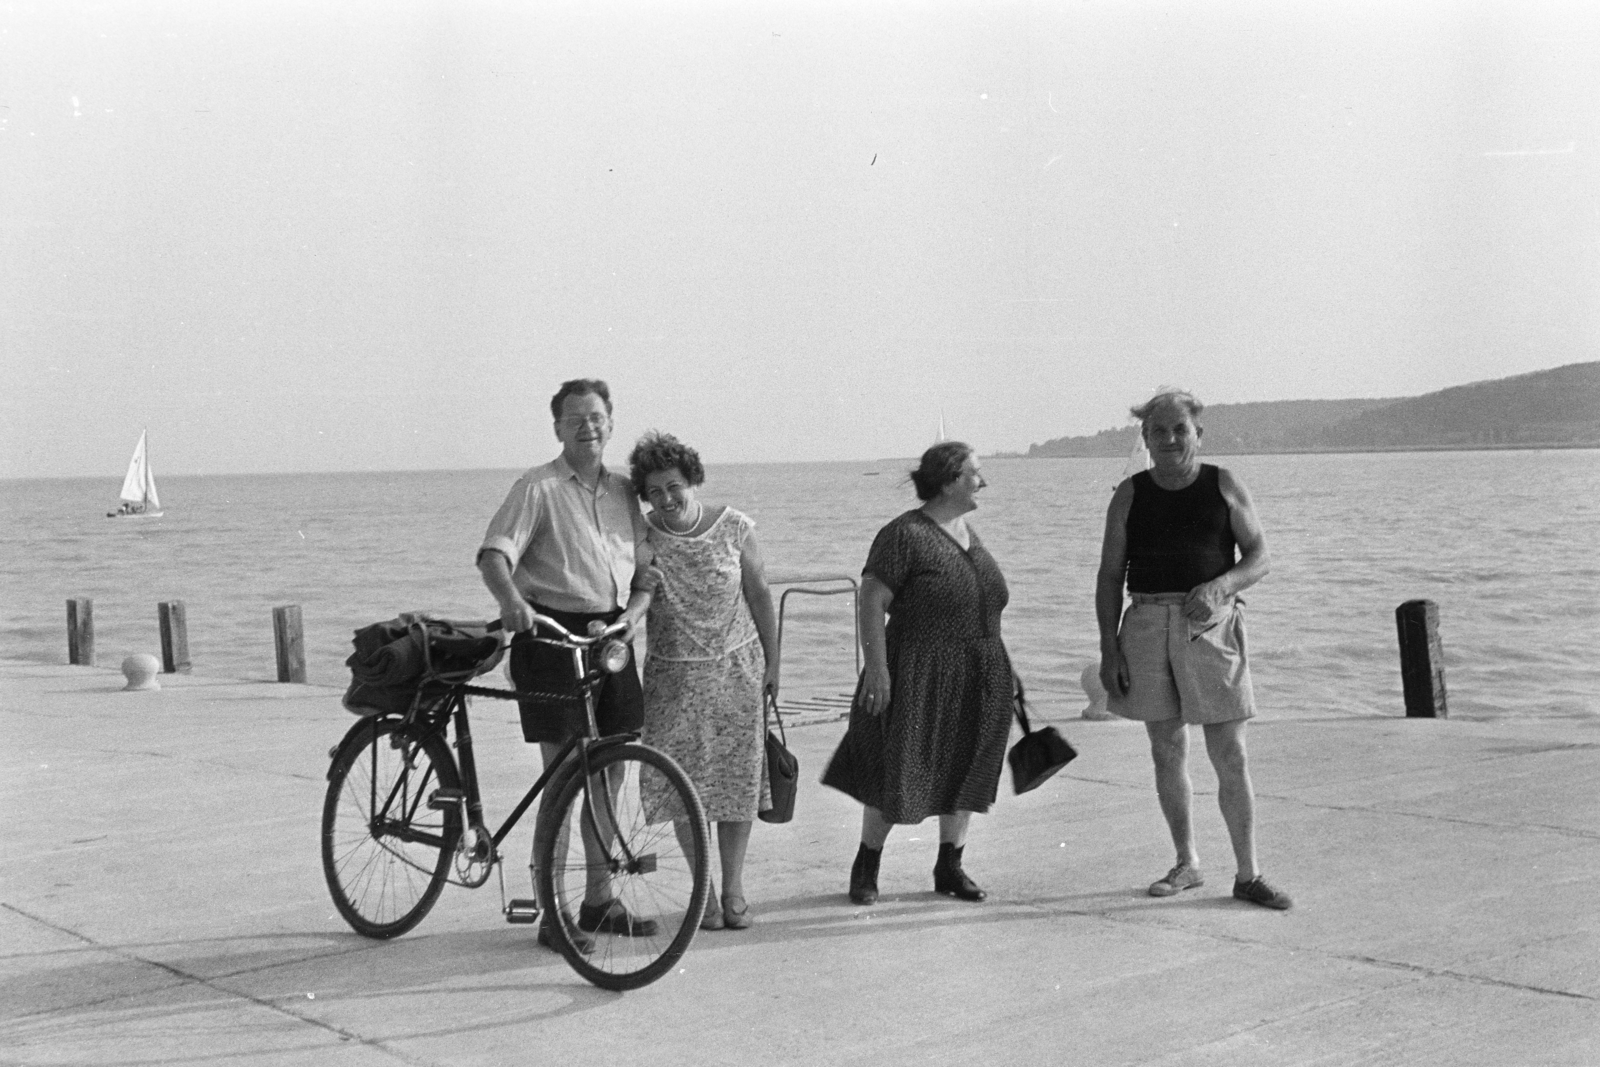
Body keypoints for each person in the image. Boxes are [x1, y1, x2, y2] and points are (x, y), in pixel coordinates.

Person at [477, 378, 662, 951]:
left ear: (611, 422)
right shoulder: (538, 487)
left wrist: (634, 613)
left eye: (598, 416)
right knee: (562, 782)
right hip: (551, 638)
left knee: (612, 773)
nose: (589, 426)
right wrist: (511, 603)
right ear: (557, 427)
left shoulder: (626, 493)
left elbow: (646, 574)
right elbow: (493, 556)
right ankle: (552, 916)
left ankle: (599, 902)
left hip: (611, 640)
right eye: (576, 418)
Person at [1096, 388, 1293, 910]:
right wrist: (1108, 650)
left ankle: (1249, 873)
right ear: (1145, 438)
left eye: (1179, 429)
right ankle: (1187, 863)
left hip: (1211, 627)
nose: (1169, 439)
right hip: (1144, 623)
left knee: (1230, 752)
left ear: (1198, 434)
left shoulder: (1222, 484)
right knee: (1167, 749)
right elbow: (1109, 576)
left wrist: (1222, 586)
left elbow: (1261, 558)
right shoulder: (1129, 494)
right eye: (1158, 431)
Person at [822, 441, 1014, 906]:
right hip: (917, 672)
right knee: (897, 769)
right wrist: (878, 671)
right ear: (948, 480)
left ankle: (950, 865)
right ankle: (866, 865)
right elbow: (871, 599)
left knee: (968, 768)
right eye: (974, 473)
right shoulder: (904, 534)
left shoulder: (967, 530)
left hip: (979, 672)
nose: (982, 481)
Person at [627, 431, 780, 932]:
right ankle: (706, 895)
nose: (667, 500)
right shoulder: (644, 536)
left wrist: (774, 665)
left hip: (737, 672)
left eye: (674, 486)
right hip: (672, 680)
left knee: (737, 787)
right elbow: (637, 595)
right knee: (681, 790)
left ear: (692, 479)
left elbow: (760, 597)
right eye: (655, 492)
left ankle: (733, 891)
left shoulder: (735, 527)